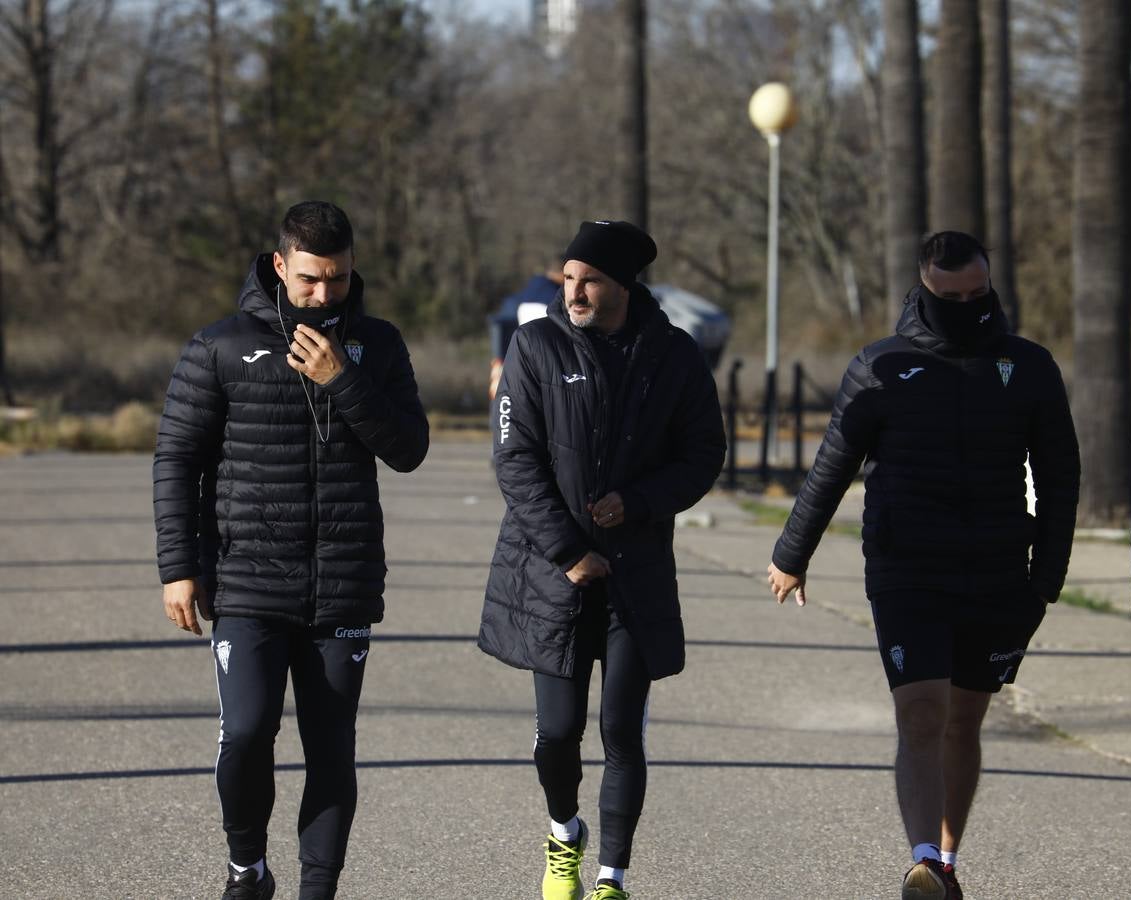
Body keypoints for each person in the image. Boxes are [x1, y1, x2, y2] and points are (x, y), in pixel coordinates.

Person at [766, 231, 1080, 900]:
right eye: (950, 297)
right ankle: (922, 863)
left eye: (978, 295)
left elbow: (1061, 478)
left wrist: (1046, 580)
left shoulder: (1027, 367)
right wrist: (792, 552)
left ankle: (946, 861)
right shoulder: (882, 365)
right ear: (923, 289)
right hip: (907, 565)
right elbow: (833, 465)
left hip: (999, 570)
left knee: (965, 721)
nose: (969, 307)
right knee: (921, 714)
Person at [153, 201, 429, 900]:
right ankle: (247, 866)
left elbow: (409, 450)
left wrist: (344, 379)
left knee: (331, 750)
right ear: (280, 265)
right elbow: (177, 459)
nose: (323, 294)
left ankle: (317, 890)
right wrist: (178, 568)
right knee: (246, 735)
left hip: (341, 582)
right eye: (309, 278)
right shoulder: (221, 345)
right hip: (246, 580)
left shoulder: (378, 345)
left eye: (336, 279)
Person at [478, 220, 725, 900]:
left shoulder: (673, 355)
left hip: (635, 574)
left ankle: (612, 877)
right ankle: (564, 836)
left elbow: (704, 452)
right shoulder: (536, 344)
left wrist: (642, 501)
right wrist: (568, 550)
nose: (575, 291)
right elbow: (513, 457)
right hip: (550, 574)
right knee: (557, 733)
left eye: (590, 280)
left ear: (624, 285)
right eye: (569, 278)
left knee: (621, 728)